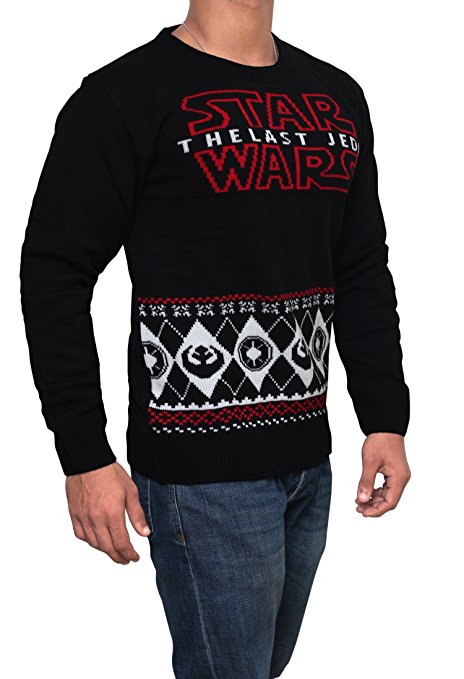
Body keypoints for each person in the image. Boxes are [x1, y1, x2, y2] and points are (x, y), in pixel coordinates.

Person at [19, 1, 412, 677]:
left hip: (308, 462)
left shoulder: (335, 97)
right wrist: (83, 455)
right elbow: (55, 271)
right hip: (200, 473)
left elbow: (359, 266)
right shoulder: (125, 96)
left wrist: (385, 416)